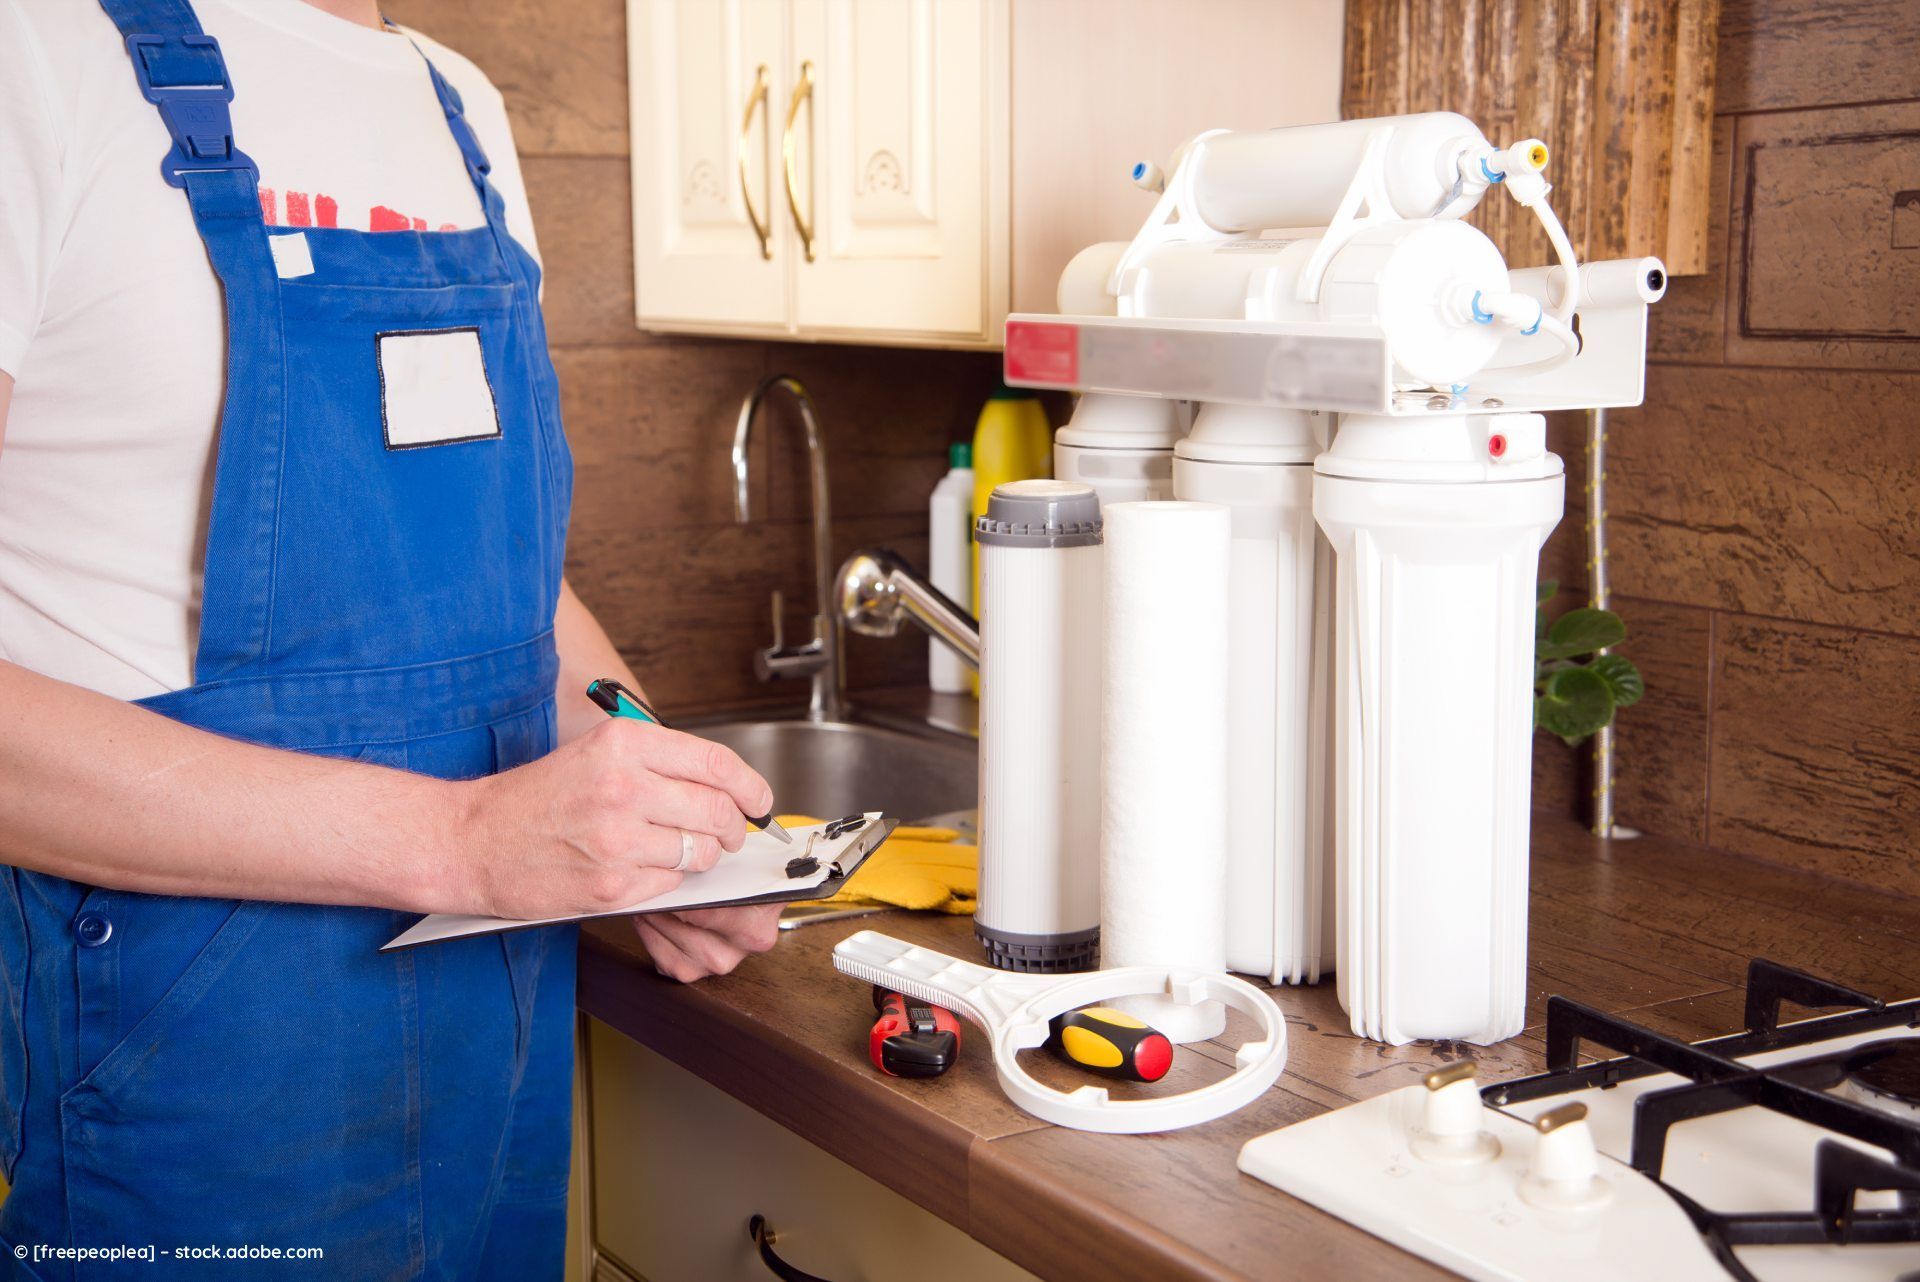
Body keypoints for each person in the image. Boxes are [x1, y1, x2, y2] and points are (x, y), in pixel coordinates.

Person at [0, 0, 783, 1274]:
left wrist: (659, 810)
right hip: (183, 1074)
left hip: (491, 1047)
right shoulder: (33, 57)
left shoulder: (455, 103)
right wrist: (464, 842)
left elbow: (508, 585)